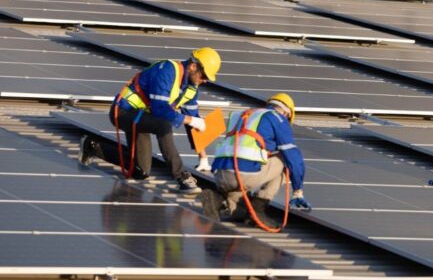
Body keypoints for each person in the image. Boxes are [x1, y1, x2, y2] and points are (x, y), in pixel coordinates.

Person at [79, 47, 221, 194]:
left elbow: (195, 123)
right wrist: (191, 120)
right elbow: (160, 109)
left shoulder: (191, 88)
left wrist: (203, 157)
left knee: (141, 171)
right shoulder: (167, 71)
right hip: (124, 112)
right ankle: (182, 177)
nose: (204, 81)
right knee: (163, 124)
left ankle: (91, 146)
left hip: (143, 118)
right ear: (193, 66)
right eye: (204, 75)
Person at [200, 93, 311, 224]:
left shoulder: (243, 115)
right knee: (285, 160)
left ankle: (217, 200)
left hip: (221, 175)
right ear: (286, 113)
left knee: (240, 213)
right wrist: (298, 191)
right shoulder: (277, 117)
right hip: (242, 176)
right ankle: (258, 208)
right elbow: (293, 157)